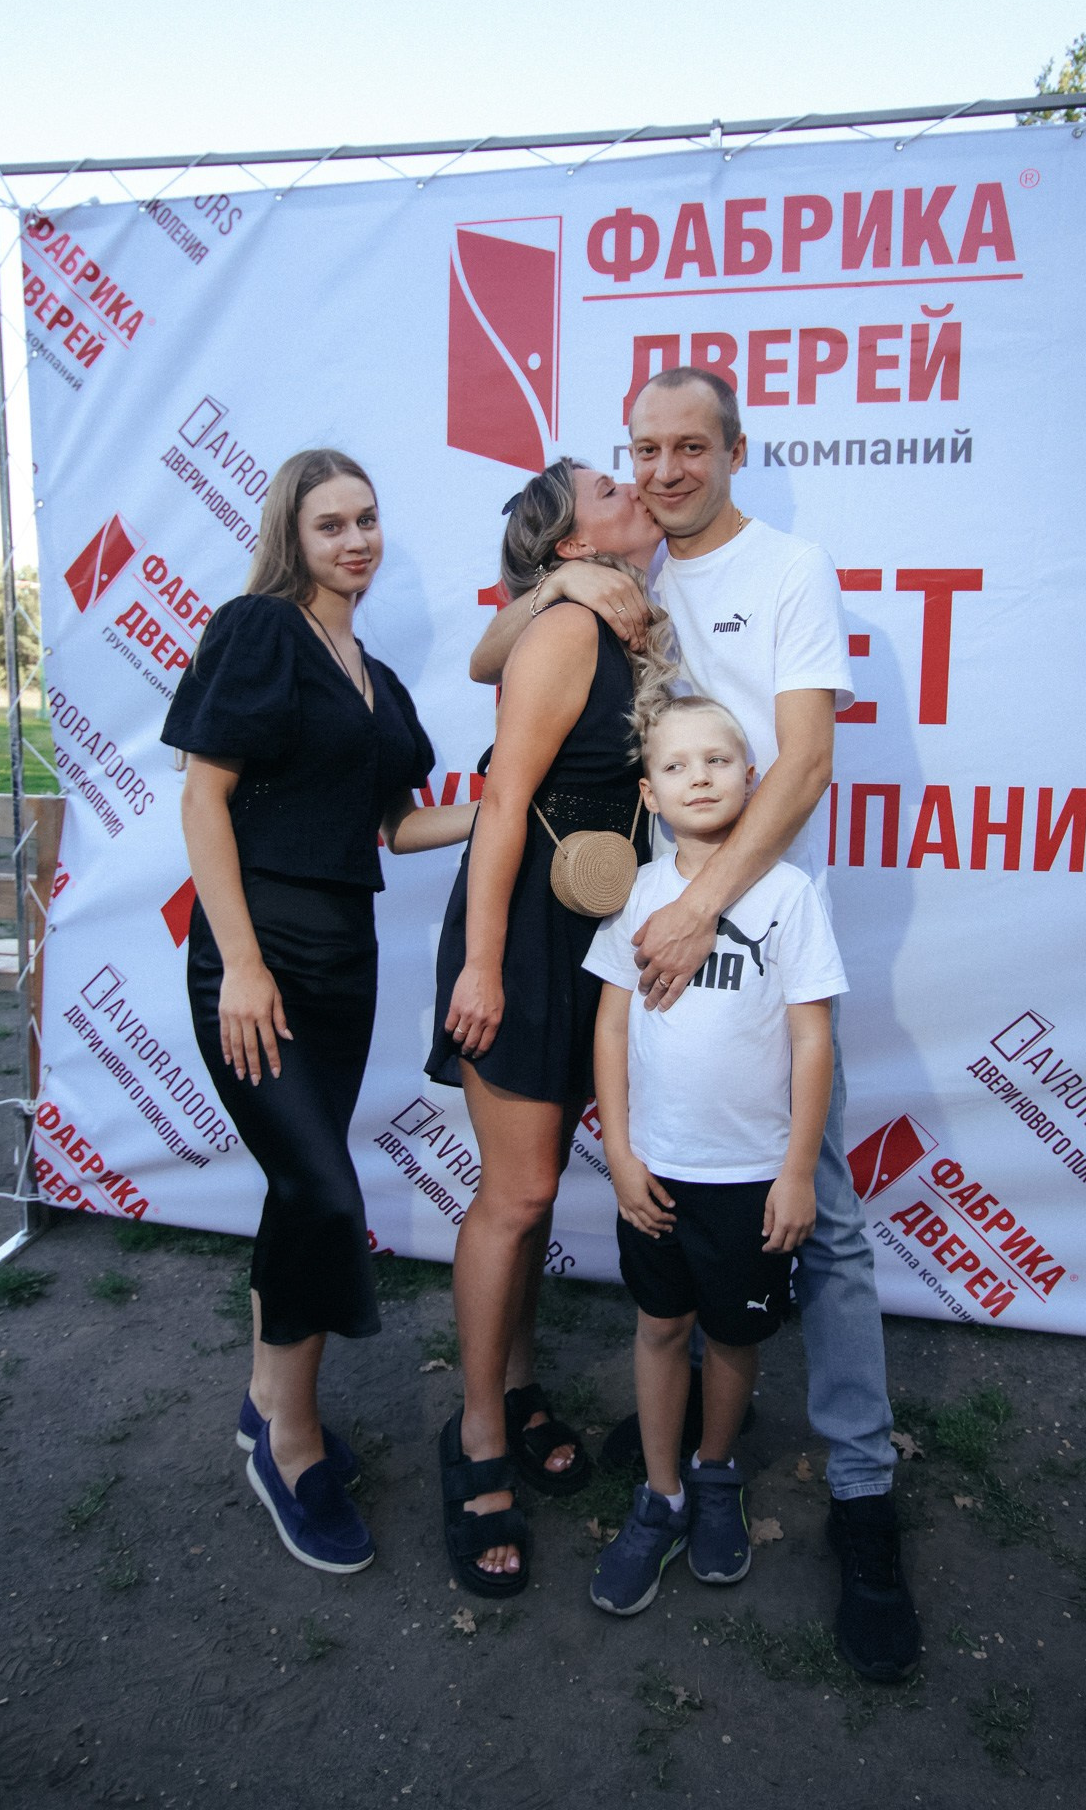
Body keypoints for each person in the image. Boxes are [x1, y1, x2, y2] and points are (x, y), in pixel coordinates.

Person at [471, 369, 920, 1681]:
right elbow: (489, 657)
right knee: (662, 1212)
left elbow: (807, 760)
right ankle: (681, 1453)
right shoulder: (629, 570)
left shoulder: (788, 568)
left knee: (822, 1222)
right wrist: (561, 582)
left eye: (689, 446)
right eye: (644, 449)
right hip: (642, 943)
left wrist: (700, 908)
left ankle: (861, 1495)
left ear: (734, 449)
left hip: (750, 940)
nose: (663, 470)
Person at [162, 448, 473, 1576]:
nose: (355, 540)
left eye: (367, 519)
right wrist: (243, 963)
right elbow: (204, 797)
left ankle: (266, 1406)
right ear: (292, 536)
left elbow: (396, 825)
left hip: (346, 961)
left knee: (301, 1191)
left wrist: (506, 807)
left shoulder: (375, 678)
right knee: (324, 1191)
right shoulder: (260, 630)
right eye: (330, 523)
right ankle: (286, 1439)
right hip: (259, 957)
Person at [424, 457, 671, 1597]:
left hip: (592, 936)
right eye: (611, 489)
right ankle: (476, 1434)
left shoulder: (624, 617)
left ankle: (518, 1386)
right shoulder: (568, 628)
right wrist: (482, 965)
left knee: (532, 1193)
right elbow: (502, 803)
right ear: (572, 545)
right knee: (517, 1196)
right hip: (523, 934)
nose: (637, 487)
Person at [585, 694, 845, 1613]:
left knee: (733, 1336)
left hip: (751, 1179)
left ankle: (714, 1471)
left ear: (752, 777)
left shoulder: (789, 896)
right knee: (660, 1327)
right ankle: (659, 1495)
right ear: (648, 794)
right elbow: (610, 1027)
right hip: (655, 1174)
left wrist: (795, 1171)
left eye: (717, 760)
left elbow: (811, 1040)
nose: (698, 777)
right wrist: (619, 1153)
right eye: (675, 765)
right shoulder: (637, 894)